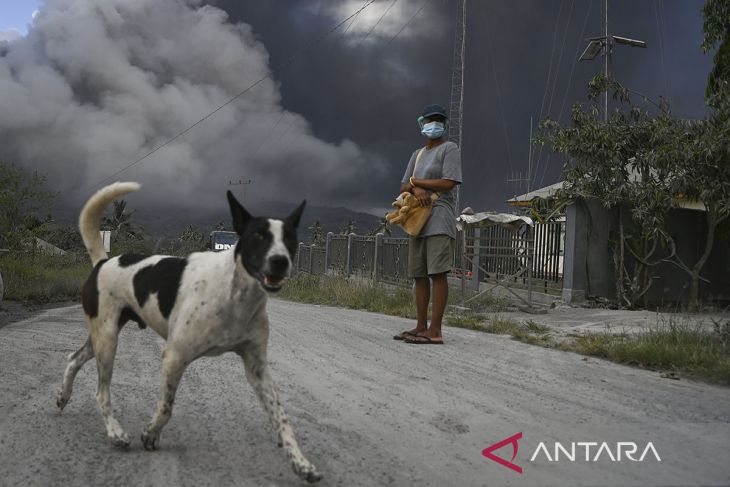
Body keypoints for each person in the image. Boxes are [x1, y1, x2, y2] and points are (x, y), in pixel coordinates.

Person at [394, 104, 462, 345]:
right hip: (417, 220)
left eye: (438, 120)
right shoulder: (418, 154)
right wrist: (416, 187)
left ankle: (435, 330)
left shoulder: (449, 148)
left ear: (443, 124)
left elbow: (449, 182)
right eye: (430, 120)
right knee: (419, 275)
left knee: (437, 273)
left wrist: (419, 182)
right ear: (422, 124)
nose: (434, 124)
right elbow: (404, 186)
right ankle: (421, 326)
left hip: (439, 217)